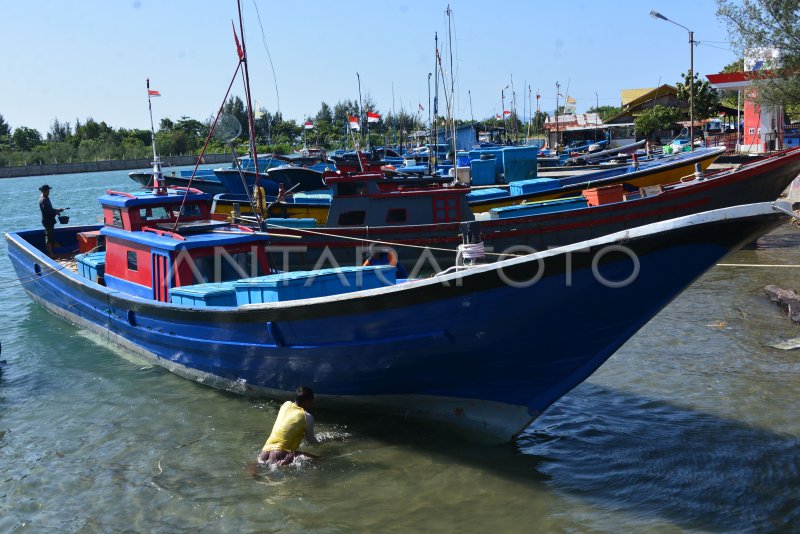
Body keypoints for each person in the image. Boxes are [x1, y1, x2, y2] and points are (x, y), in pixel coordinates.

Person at [257, 385, 320, 466]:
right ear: (307, 401)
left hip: (264, 452)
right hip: (280, 454)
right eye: (311, 401)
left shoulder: (286, 404)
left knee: (259, 466)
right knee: (320, 461)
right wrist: (321, 444)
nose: (312, 403)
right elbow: (311, 441)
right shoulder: (307, 417)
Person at [38, 184, 64, 257]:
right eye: (47, 190)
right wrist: (56, 212)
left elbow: (50, 209)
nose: (48, 191)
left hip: (49, 220)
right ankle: (51, 254)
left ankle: (52, 251)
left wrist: (57, 209)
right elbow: (47, 212)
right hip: (47, 221)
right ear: (43, 191)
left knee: (50, 235)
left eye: (48, 190)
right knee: (48, 237)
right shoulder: (43, 200)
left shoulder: (46, 198)